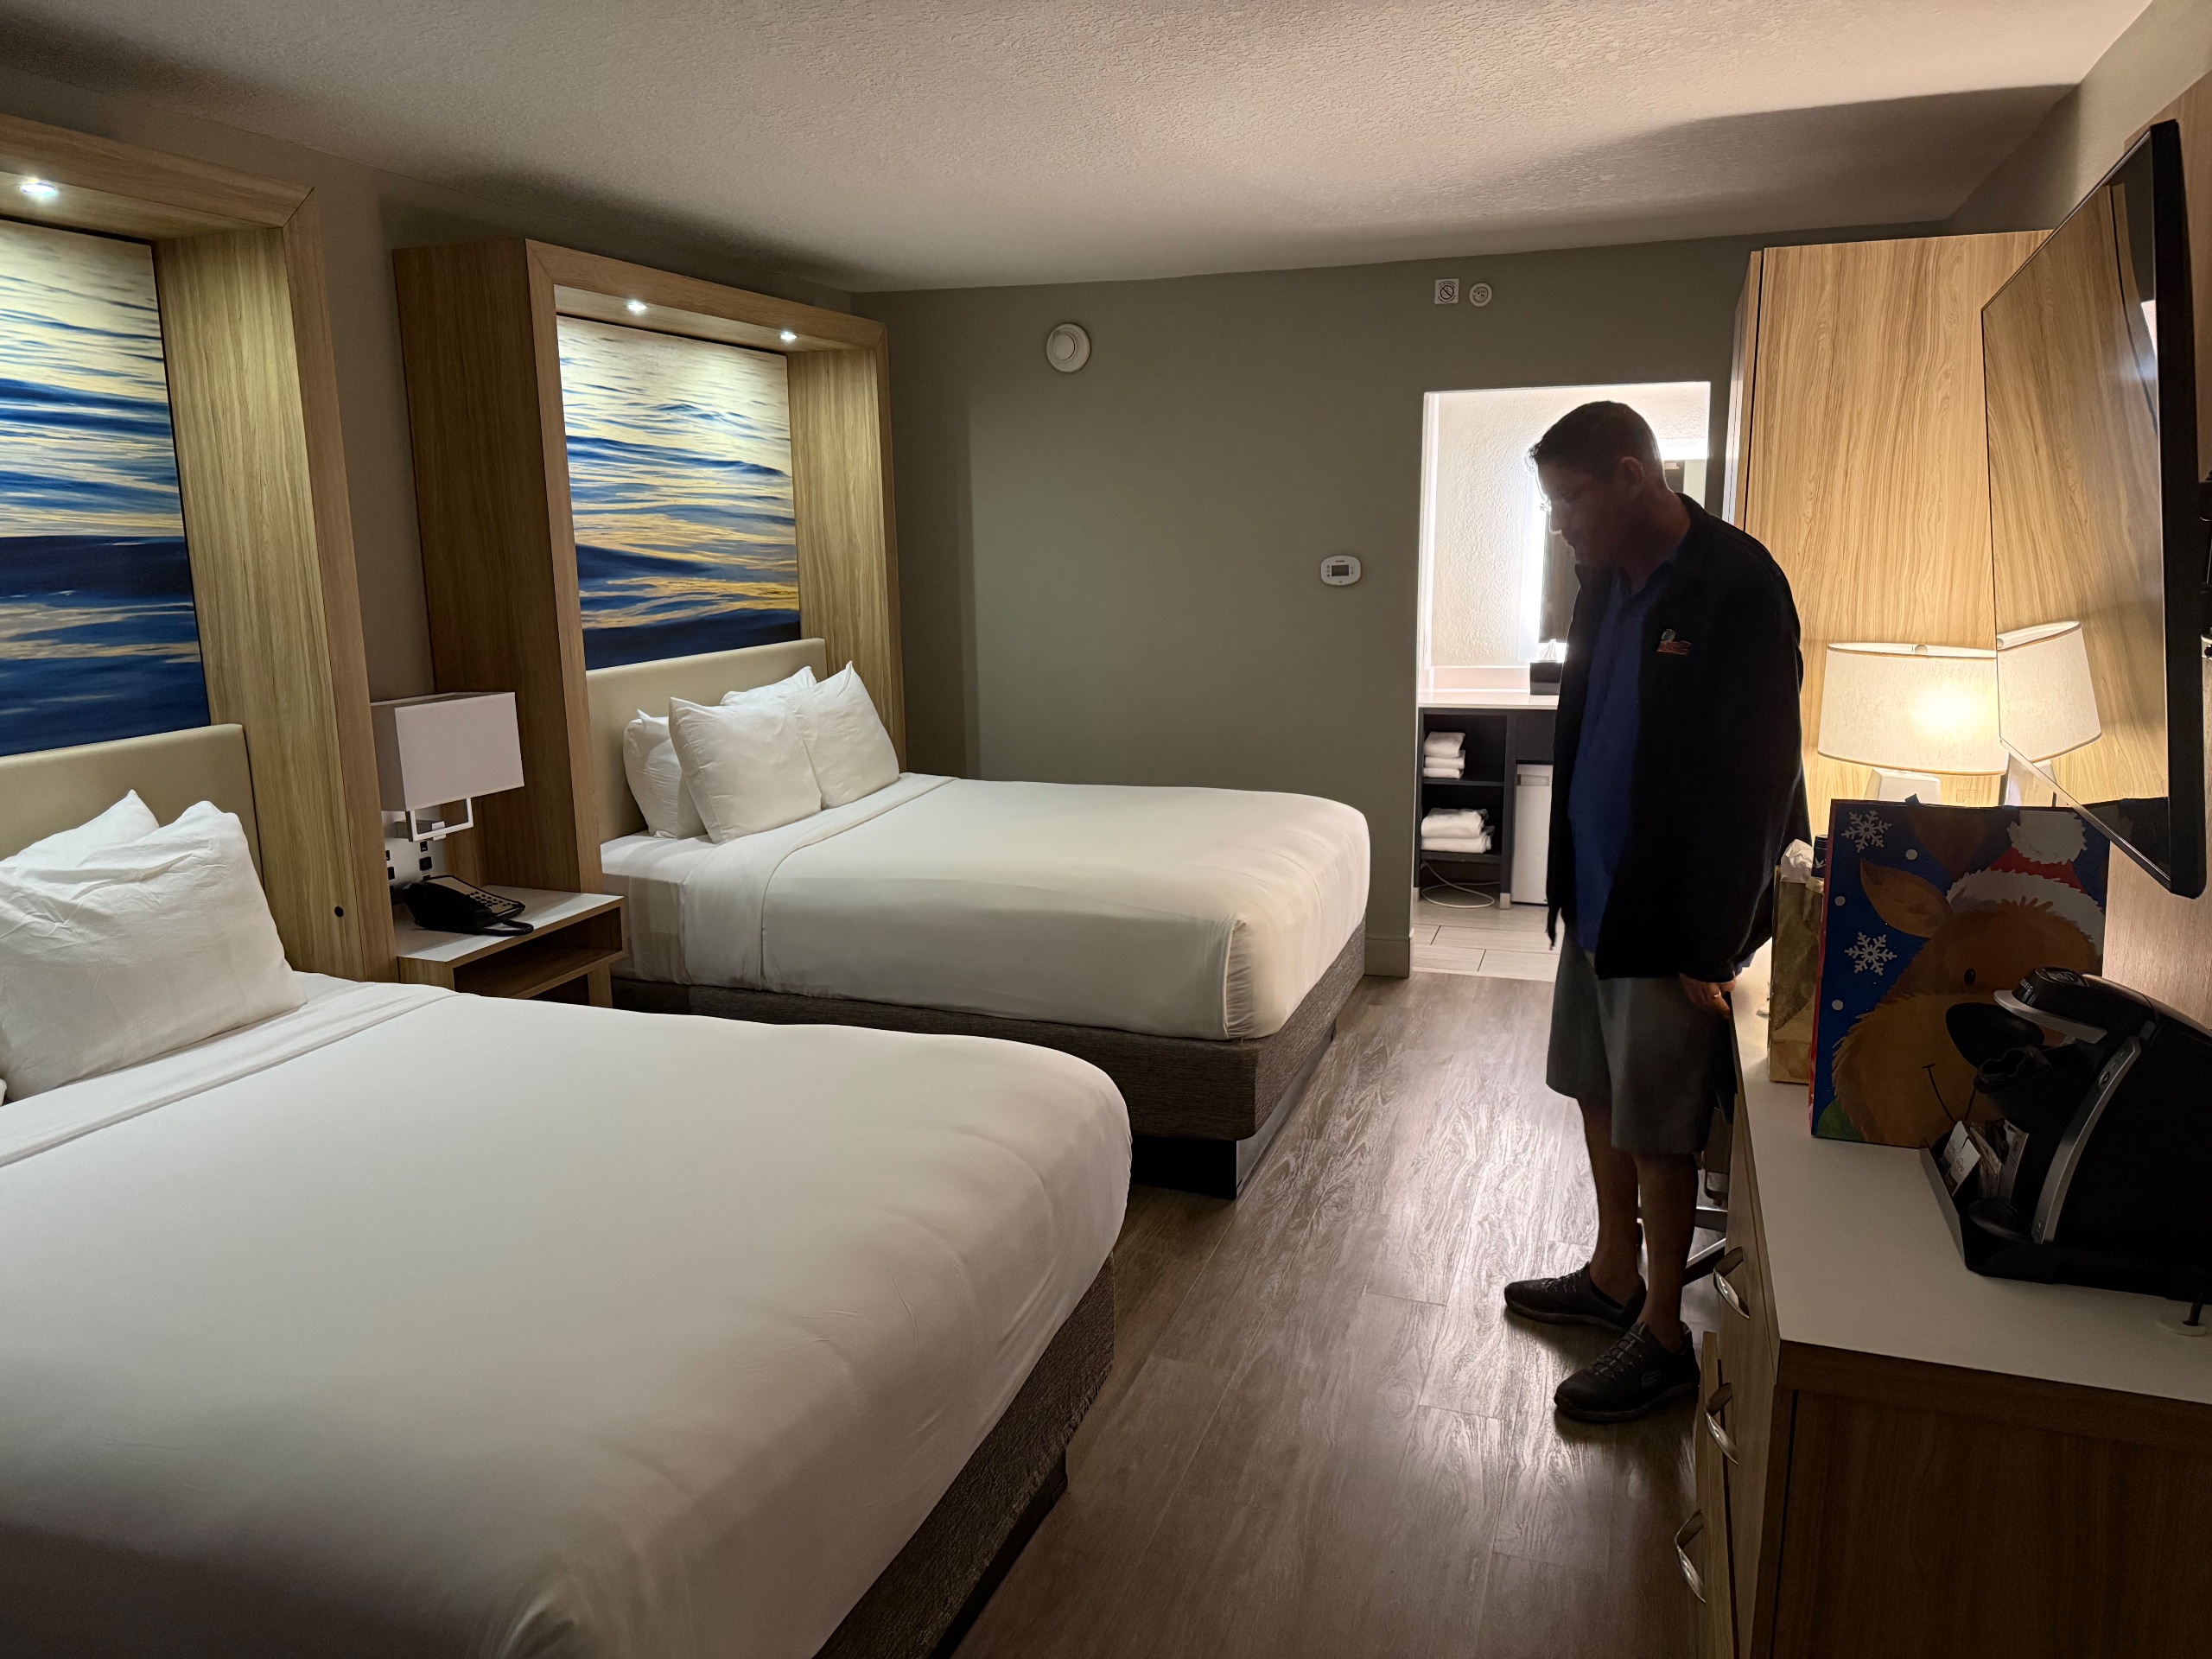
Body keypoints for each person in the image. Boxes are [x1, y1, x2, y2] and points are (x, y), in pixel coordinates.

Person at [1503, 401, 1806, 1424]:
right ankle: (1611, 1275)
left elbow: (1758, 780)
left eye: (1569, 500)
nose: (1560, 524)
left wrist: (1712, 940)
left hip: (1673, 913)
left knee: (1661, 1125)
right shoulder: (1602, 580)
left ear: (1631, 477)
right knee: (1596, 1089)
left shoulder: (1736, 586)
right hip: (1599, 892)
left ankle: (1666, 1334)